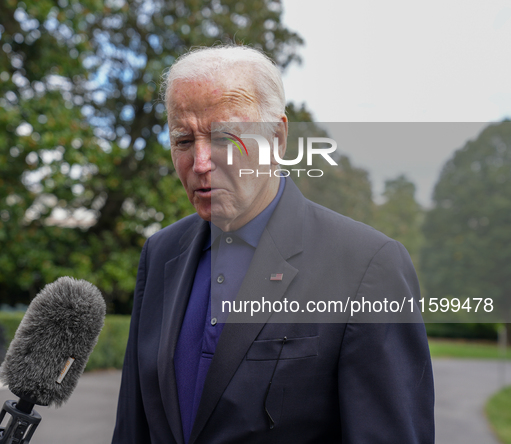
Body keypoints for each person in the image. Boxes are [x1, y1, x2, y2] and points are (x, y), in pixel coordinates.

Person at [111, 45, 434, 444]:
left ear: (278, 138)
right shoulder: (160, 254)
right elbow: (133, 428)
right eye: (182, 140)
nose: (199, 163)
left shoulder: (367, 266)